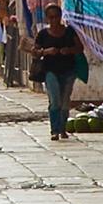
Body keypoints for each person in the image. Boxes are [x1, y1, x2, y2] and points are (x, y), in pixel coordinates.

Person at [30, 8, 89, 141]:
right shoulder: (43, 34)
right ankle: (54, 130)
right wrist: (46, 52)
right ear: (47, 18)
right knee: (55, 100)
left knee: (65, 101)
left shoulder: (69, 32)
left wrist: (68, 50)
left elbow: (80, 47)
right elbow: (35, 51)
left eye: (56, 17)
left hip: (69, 70)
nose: (54, 20)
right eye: (50, 17)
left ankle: (62, 128)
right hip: (50, 71)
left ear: (60, 17)